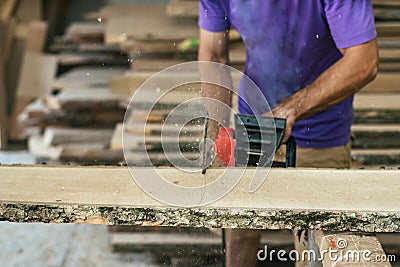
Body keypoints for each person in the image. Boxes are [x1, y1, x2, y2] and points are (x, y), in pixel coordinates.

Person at [197, 1, 378, 266]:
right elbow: (213, 56)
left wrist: (291, 110)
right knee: (239, 237)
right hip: (252, 127)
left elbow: (364, 61)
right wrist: (215, 133)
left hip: (319, 132)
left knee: (315, 251)